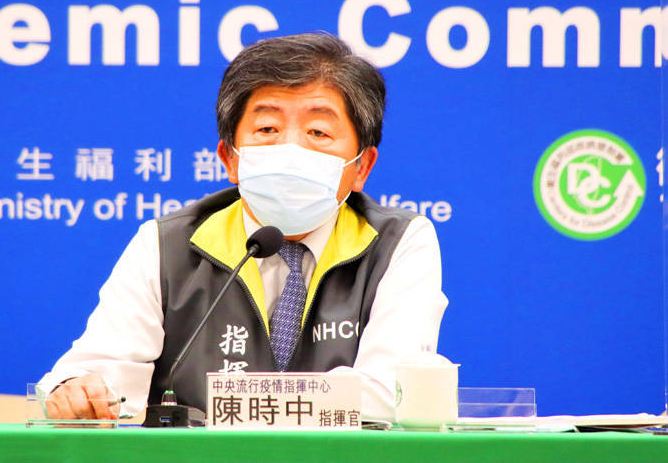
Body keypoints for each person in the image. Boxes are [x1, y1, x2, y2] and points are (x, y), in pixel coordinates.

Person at [38, 32, 447, 422]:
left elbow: (393, 389)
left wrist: (249, 402)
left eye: (318, 131)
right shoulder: (168, 245)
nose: (291, 150)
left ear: (361, 167)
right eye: (267, 129)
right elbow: (100, 373)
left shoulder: (399, 243)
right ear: (229, 158)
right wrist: (81, 391)